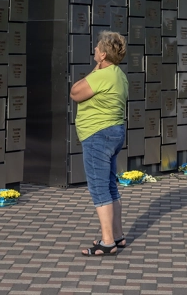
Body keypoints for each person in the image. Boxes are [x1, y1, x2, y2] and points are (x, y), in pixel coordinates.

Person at [69, 30, 129, 256]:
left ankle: (106, 242)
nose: (94, 49)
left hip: (98, 136)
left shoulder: (102, 75)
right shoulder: (119, 75)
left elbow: (75, 92)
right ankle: (117, 235)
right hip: (114, 133)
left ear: (103, 55)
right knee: (111, 185)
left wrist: (96, 68)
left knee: (99, 187)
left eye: (97, 48)